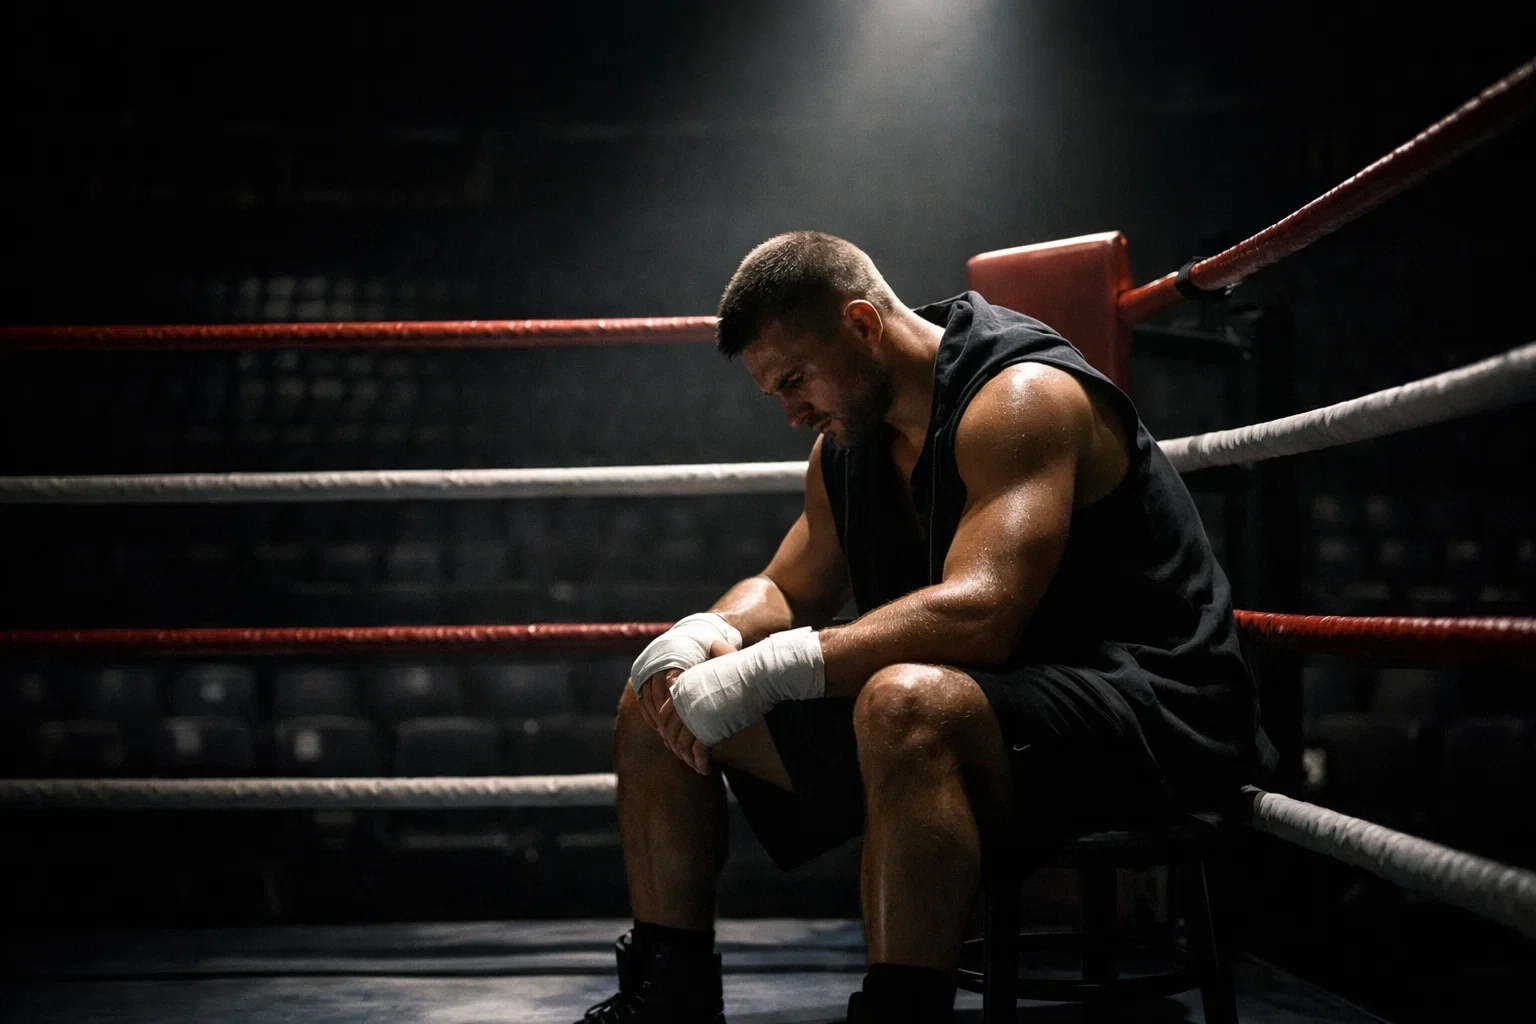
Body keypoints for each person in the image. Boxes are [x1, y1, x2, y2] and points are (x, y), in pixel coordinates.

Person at [576, 231, 1275, 1024]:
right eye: (775, 391)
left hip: (1148, 709)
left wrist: (764, 670)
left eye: (797, 379)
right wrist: (702, 637)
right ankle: (670, 996)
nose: (791, 410)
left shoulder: (1018, 396)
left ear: (864, 326)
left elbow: (984, 610)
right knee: (654, 701)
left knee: (902, 702)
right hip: (980, 711)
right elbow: (784, 586)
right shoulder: (848, 445)